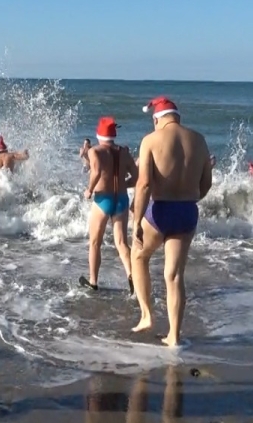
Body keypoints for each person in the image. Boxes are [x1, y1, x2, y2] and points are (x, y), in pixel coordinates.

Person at [130, 97, 212, 347]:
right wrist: (189, 197)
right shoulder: (198, 140)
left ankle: (146, 316)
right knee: (174, 275)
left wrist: (136, 222)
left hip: (160, 211)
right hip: (187, 212)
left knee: (139, 256)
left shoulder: (150, 140)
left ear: (157, 118)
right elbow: (206, 184)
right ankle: (174, 336)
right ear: (177, 116)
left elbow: (144, 184)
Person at [80, 116, 138, 293]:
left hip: (102, 199)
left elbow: (96, 171)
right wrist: (123, 184)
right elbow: (135, 177)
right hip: (120, 199)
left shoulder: (95, 151)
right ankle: (132, 278)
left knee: (95, 243)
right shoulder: (124, 152)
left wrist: (89, 190)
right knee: (121, 242)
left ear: (99, 134)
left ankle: (93, 281)